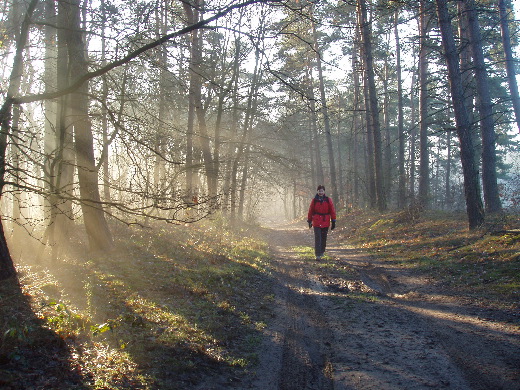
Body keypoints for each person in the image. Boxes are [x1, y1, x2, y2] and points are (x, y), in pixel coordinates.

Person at [307, 185, 336, 260]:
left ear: (324, 191)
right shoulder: (314, 200)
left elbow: (332, 210)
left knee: (323, 237)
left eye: (322, 191)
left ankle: (322, 251)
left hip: (325, 221)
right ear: (317, 191)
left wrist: (333, 221)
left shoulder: (328, 200)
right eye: (319, 191)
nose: (321, 192)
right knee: (318, 237)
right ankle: (318, 254)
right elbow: (311, 210)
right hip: (316, 221)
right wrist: (309, 220)